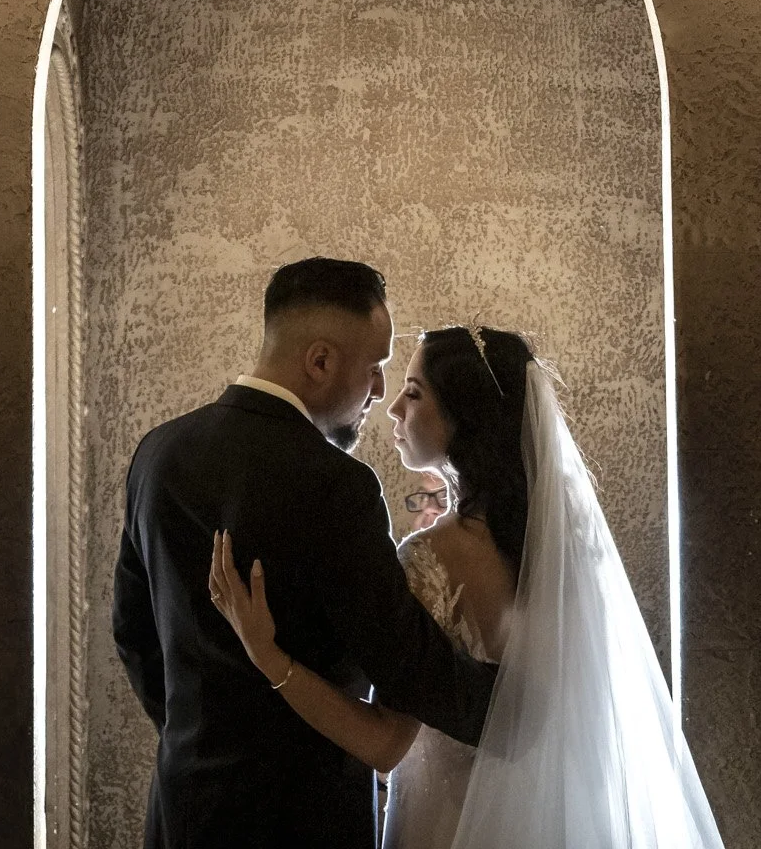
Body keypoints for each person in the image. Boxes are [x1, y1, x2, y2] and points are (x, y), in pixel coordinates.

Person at [211, 323, 728, 849]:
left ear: (463, 416)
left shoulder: (431, 557)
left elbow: (386, 741)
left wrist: (269, 657)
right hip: (556, 819)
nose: (392, 409)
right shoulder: (568, 548)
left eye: (412, 394)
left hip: (449, 823)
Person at [111, 259, 497, 849]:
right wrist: (529, 699)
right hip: (304, 822)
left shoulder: (157, 455)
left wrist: (197, 737)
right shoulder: (336, 486)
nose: (377, 392)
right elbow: (407, 667)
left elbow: (133, 633)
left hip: (183, 813)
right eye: (374, 369)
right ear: (319, 361)